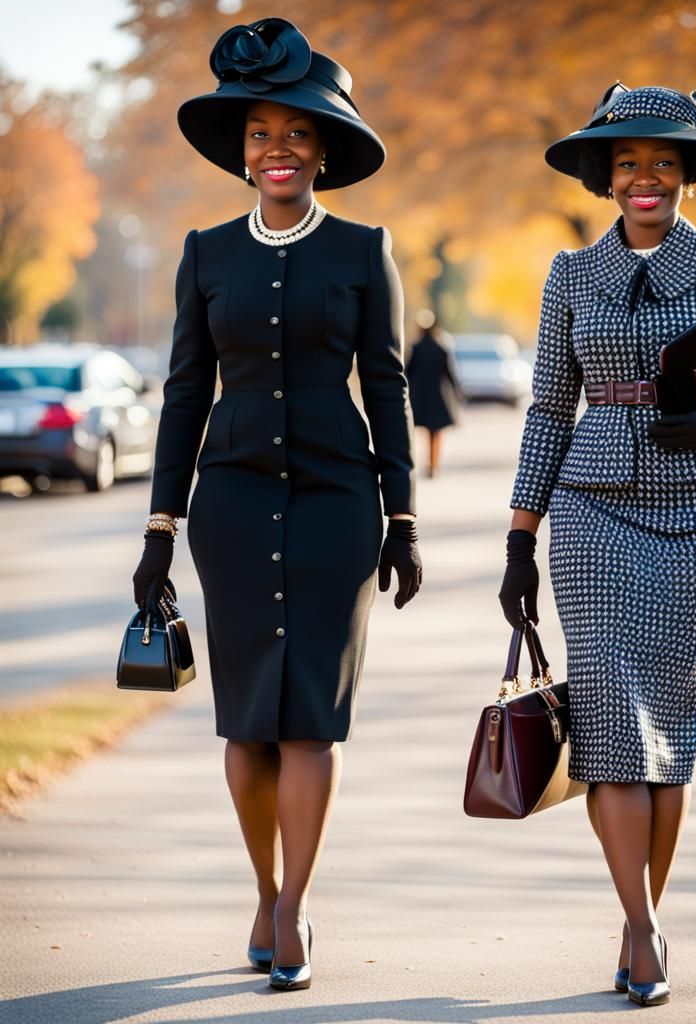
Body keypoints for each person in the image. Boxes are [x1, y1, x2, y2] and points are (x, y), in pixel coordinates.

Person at [498, 82, 696, 1007]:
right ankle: (642, 929)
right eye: (629, 163)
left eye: (664, 164)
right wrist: (521, 538)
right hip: (590, 515)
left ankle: (644, 920)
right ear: (605, 176)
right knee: (608, 728)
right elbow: (551, 406)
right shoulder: (569, 275)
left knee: (663, 736)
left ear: (687, 176)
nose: (646, 179)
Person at [130, 17, 421, 992]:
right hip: (232, 503)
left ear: (323, 150)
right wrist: (159, 528)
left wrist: (404, 514)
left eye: (296, 134)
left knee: (310, 722)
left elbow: (387, 386)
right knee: (246, 723)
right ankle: (263, 886)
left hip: (339, 505)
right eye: (261, 134)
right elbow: (183, 393)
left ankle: (293, 906)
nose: (278, 150)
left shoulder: (365, 249)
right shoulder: (206, 254)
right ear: (241, 153)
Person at [405, 309, 463, 477]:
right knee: (436, 432)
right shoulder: (441, 348)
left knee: (425, 432)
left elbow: (408, 372)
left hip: (421, 396)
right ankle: (434, 465)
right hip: (438, 396)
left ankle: (428, 464)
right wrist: (458, 391)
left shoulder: (416, 348)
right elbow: (449, 373)